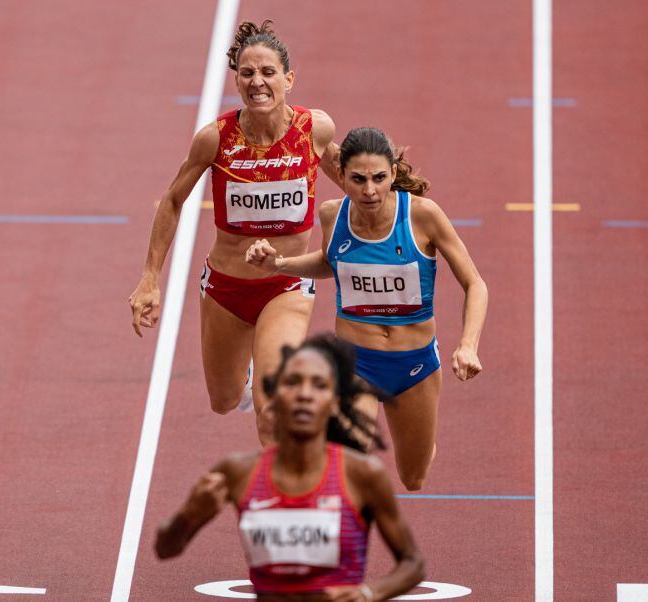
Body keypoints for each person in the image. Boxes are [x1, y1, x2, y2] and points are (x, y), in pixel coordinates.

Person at [129, 20, 341, 445]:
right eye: (247, 73)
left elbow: (355, 181)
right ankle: (244, 380)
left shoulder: (313, 130)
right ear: (237, 80)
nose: (257, 82)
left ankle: (281, 505)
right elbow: (172, 200)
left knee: (271, 409)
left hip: (287, 285)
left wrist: (405, 207)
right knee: (224, 400)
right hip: (226, 289)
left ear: (289, 78)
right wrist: (150, 278)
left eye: (267, 72)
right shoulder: (215, 139)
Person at [245, 127, 488, 491]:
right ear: (341, 176)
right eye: (358, 179)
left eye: (379, 178)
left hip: (414, 364)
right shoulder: (333, 215)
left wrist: (468, 344)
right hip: (356, 363)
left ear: (393, 173)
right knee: (347, 460)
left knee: (413, 477)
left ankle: (419, 438)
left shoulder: (423, 217)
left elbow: (475, 284)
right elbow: (331, 263)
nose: (369, 190)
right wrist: (279, 264)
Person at [155, 334, 424, 601]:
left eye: (319, 385)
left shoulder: (362, 474)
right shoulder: (238, 472)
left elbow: (413, 563)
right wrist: (187, 516)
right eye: (293, 383)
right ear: (273, 396)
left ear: (334, 403)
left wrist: (369, 593)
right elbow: (165, 548)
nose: (305, 394)